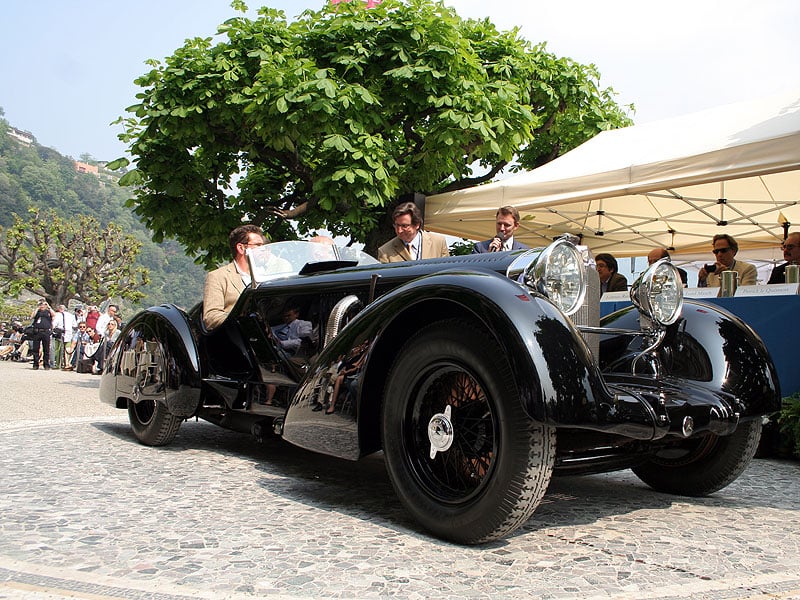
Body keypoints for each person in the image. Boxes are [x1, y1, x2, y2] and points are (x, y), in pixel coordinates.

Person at [202, 224, 267, 330]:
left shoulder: (268, 276)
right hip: (237, 339)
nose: (264, 249)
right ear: (241, 248)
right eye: (258, 245)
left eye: (263, 245)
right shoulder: (218, 277)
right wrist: (242, 321)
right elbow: (211, 317)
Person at [377, 202, 449, 263]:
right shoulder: (385, 251)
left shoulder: (439, 243)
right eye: (397, 225)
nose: (399, 230)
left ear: (417, 224)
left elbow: (447, 272)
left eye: (404, 226)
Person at [29, 299, 56, 370]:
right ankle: (35, 364)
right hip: (37, 331)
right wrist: (37, 307)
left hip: (46, 331)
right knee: (35, 349)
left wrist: (48, 306)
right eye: (41, 304)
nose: (42, 306)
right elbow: (31, 316)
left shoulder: (48, 312)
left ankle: (46, 364)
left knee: (46, 349)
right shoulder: (37, 312)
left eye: (43, 304)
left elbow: (54, 315)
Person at [51, 304, 77, 369]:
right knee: (67, 348)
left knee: (57, 349)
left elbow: (54, 324)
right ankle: (66, 363)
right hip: (68, 333)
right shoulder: (71, 315)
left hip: (59, 333)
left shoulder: (58, 315)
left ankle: (57, 364)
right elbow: (75, 325)